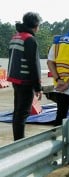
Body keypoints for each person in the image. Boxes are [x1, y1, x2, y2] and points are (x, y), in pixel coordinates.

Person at [7, 12, 42, 141]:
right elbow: (34, 65)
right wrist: (38, 87)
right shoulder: (29, 39)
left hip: (15, 79)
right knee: (23, 113)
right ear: (36, 25)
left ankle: (17, 139)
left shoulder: (16, 37)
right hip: (25, 81)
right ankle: (19, 141)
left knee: (18, 111)